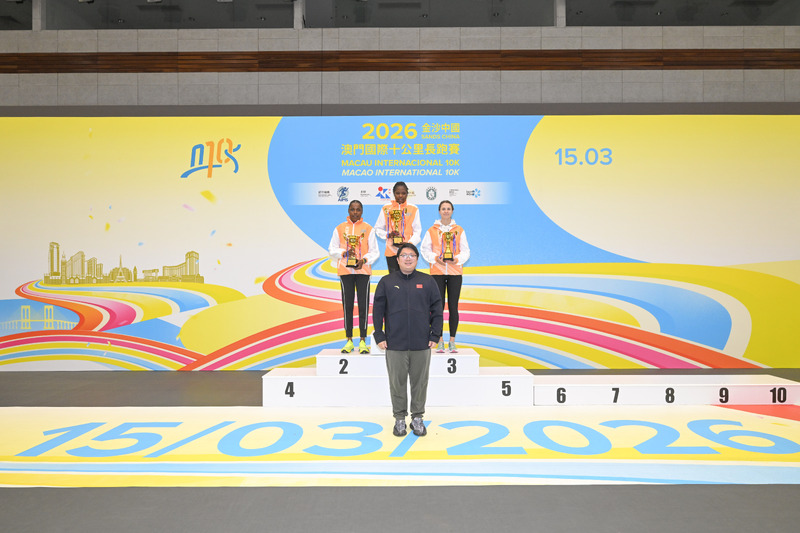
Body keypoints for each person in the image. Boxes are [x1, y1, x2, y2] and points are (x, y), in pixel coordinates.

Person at [372, 243, 443, 437]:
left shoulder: (428, 281)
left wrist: (435, 334)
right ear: (397, 259)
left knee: (420, 383)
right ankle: (399, 419)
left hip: (422, 343)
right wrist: (379, 335)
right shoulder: (386, 282)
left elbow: (437, 310)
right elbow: (378, 311)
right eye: (404, 255)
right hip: (394, 343)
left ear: (417, 259)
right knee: (397, 383)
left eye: (412, 255)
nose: (408, 258)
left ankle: (417, 418)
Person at [329, 199, 379, 354]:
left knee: (363, 306)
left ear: (362, 211)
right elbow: (332, 249)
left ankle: (363, 341)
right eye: (352, 209)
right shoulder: (339, 228)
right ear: (348, 210)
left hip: (363, 271)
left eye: (358, 209)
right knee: (348, 306)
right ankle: (349, 340)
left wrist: (364, 260)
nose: (355, 212)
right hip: (345, 271)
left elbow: (374, 252)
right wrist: (343, 253)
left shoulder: (368, 229)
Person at [421, 200, 470, 354]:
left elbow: (466, 251)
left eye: (448, 208)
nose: (446, 211)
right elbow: (424, 250)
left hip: (455, 273)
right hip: (437, 272)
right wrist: (435, 258)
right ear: (439, 211)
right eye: (443, 209)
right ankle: (440, 340)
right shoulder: (432, 230)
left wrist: (457, 259)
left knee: (453, 307)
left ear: (452, 211)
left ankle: (452, 341)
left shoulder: (459, 230)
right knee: (438, 307)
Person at [373, 181, 421, 273]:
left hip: (408, 252)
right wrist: (388, 235)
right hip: (391, 251)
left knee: (409, 278)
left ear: (407, 194)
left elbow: (417, 231)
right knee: (394, 279)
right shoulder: (386, 208)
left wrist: (408, 244)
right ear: (393, 193)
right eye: (397, 193)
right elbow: (378, 228)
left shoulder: (413, 208)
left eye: (403, 193)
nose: (400, 196)